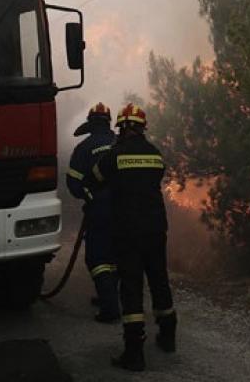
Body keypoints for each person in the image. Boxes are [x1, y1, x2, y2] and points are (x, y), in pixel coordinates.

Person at [90, 103, 176, 371]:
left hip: (127, 231)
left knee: (131, 287)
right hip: (155, 229)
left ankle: (134, 353)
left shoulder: (115, 155)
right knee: (159, 280)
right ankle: (168, 336)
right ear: (141, 128)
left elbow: (95, 179)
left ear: (122, 128)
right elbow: (157, 176)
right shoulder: (155, 154)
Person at [65, 102, 120, 323]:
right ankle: (109, 295)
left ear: (90, 123)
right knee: (115, 255)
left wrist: (89, 196)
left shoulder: (84, 148)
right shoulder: (120, 143)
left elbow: (73, 183)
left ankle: (109, 307)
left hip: (99, 211)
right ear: (109, 122)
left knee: (97, 258)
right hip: (124, 209)